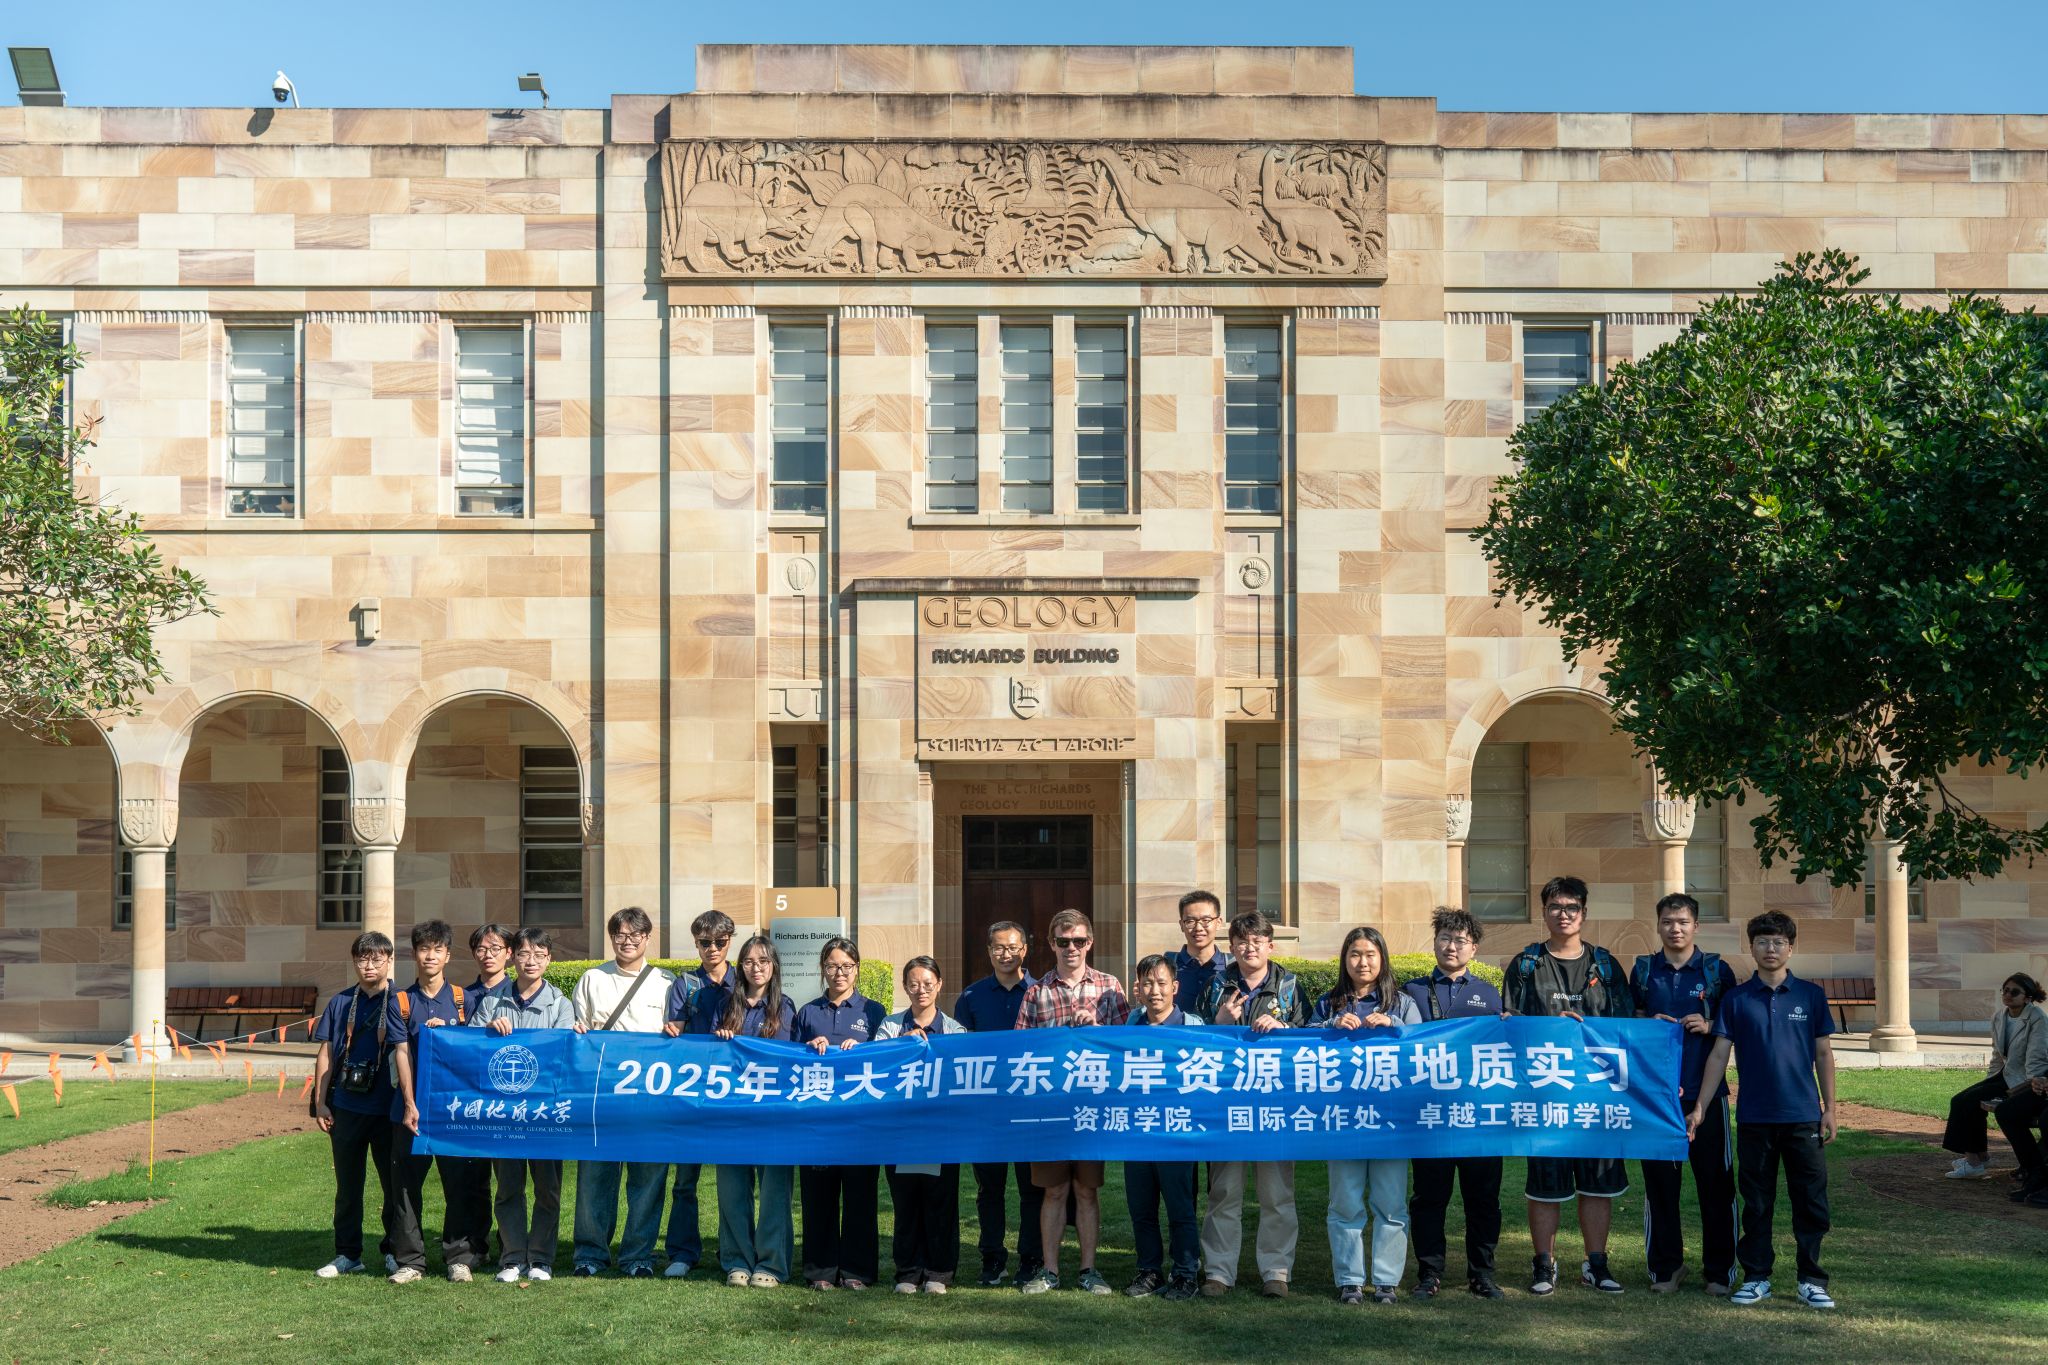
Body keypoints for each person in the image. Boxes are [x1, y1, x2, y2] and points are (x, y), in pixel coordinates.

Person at [1691, 910, 1838, 1309]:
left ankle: (1811, 1279)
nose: (1770, 949)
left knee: (1811, 1201)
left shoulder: (1810, 996)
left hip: (1803, 1116)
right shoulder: (1736, 999)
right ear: (1751, 947)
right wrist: (1701, 1106)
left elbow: (1824, 1054)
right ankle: (1757, 1277)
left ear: (1791, 948)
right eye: (1762, 942)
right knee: (1757, 1203)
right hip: (1755, 1117)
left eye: (1778, 942)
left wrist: (1830, 1108)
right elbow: (1718, 1055)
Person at [1503, 874, 1635, 1295]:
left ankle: (1597, 1264)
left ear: (1584, 913)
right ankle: (1544, 1265)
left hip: (1597, 1096)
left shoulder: (1605, 965)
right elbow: (1509, 1025)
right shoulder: (1526, 965)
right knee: (1545, 1187)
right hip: (1546, 1096)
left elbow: (1627, 1026)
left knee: (1597, 1185)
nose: (1564, 914)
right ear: (1544, 913)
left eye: (1571, 907)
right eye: (1556, 907)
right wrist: (1549, 1027)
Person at [1630, 892, 1741, 1295]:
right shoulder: (1644, 971)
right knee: (1660, 1187)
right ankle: (1666, 1267)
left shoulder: (1716, 971)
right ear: (1658, 925)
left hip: (1707, 1096)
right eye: (1667, 922)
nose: (1675, 929)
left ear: (1696, 926)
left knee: (1717, 1185)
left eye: (1682, 922)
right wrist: (1650, 1025)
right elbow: (1631, 1027)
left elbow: (1732, 1027)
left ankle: (1720, 1271)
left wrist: (1710, 1025)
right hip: (1658, 1099)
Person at [1015, 908, 1129, 1296]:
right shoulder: (1036, 992)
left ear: (1089, 943)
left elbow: (1128, 1046)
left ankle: (1088, 1270)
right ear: (1052, 944)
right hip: (1050, 1109)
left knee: (1086, 1191)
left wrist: (1096, 1029)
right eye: (1063, 941)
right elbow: (1020, 1050)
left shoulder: (1110, 987)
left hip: (1092, 1107)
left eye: (1079, 941)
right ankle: (1049, 1271)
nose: (1071, 948)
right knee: (1053, 1191)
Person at [1194, 909, 1307, 1298]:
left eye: (1257, 941)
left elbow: (1311, 1041)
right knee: (1224, 1192)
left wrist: (1283, 1028)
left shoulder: (1290, 987)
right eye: (1241, 941)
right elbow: (1194, 1045)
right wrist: (1221, 1022)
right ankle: (1218, 1272)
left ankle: (1276, 1271)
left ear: (1270, 946)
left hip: (1275, 1104)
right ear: (1232, 946)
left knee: (1277, 1193)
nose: (1249, 948)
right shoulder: (1216, 986)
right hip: (1228, 1106)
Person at [1400, 906, 1507, 1300]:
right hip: (1428, 1114)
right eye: (1445, 938)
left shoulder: (1488, 993)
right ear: (1434, 943)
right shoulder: (1410, 991)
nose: (1451, 946)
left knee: (1484, 1199)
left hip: (1478, 1114)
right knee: (1429, 1198)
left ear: (1473, 949)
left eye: (1461, 940)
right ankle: (1430, 1273)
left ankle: (1482, 1273)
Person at [1311, 926, 1418, 1305]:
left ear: (1382, 959)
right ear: (1345, 959)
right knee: (1345, 1204)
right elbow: (1301, 1046)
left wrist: (1395, 1026)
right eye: (1355, 954)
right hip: (1342, 1120)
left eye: (1370, 954)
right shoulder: (1329, 1003)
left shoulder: (1401, 1003)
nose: (1362, 962)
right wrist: (1331, 1026)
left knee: (1391, 1204)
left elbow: (1424, 1049)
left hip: (1390, 1121)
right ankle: (1350, 1281)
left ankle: (1387, 1281)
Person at [569, 907, 674, 1278]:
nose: (627, 941)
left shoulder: (666, 983)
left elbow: (677, 1035)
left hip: (650, 1096)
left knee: (648, 1178)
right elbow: (577, 1031)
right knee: (595, 1176)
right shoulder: (592, 979)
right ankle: (590, 1254)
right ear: (611, 937)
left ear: (647, 938)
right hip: (601, 1096)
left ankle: (638, 1255)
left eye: (634, 935)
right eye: (620, 935)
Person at [470, 927, 575, 1282]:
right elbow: (471, 1048)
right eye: (525, 954)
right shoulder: (492, 1001)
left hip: (545, 1112)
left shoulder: (560, 1004)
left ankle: (542, 1258)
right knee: (508, 1187)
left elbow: (563, 1056)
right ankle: (512, 1257)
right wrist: (487, 1029)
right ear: (513, 957)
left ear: (549, 959)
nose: (531, 961)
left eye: (539, 955)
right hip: (505, 1112)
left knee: (548, 1189)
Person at [694, 934, 798, 1288]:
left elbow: (788, 1059)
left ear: (774, 966)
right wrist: (721, 1040)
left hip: (772, 1115)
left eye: (764, 961)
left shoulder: (785, 1007)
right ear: (741, 967)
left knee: (773, 1193)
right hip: (731, 1113)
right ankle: (737, 1260)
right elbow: (710, 1055)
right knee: (732, 1190)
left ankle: (771, 1264)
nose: (757, 968)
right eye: (750, 961)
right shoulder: (726, 1005)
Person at [386, 920, 480, 1284]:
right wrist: (410, 1104)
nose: (430, 956)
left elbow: (474, 1053)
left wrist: (451, 1034)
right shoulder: (401, 1001)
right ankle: (411, 1261)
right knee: (405, 1187)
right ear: (415, 954)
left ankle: (459, 1258)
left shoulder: (462, 999)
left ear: (447, 955)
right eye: (424, 949)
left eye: (437, 949)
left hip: (452, 1110)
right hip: (411, 1110)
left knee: (459, 1184)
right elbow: (401, 1052)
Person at [953, 920, 1044, 1287]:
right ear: (988, 951)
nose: (1006, 954)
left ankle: (1031, 1259)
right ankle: (992, 1259)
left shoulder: (1041, 992)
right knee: (989, 1189)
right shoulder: (971, 997)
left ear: (1025, 949)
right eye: (998, 948)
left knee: (1031, 1188)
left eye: (1013, 947)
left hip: (1030, 1106)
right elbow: (959, 1051)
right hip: (987, 1109)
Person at [793, 936, 885, 1291]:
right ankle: (820, 1271)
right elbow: (790, 1063)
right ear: (823, 969)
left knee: (861, 1197)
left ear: (857, 969)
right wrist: (808, 1047)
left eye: (846, 966)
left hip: (860, 1121)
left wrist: (861, 1051)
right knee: (819, 1198)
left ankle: (858, 1271)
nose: (839, 973)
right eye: (832, 966)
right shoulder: (807, 1012)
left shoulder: (872, 1012)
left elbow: (886, 1059)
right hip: (818, 1122)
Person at [875, 956, 966, 1294]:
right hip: (900, 1130)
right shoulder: (890, 1026)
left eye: (928, 983)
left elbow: (961, 1072)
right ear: (905, 987)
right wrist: (904, 1045)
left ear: (939, 985)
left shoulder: (954, 1030)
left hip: (940, 1130)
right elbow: (878, 1064)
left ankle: (939, 1272)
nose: (921, 990)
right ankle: (908, 1271)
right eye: (914, 984)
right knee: (906, 1200)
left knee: (940, 1200)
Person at [312, 931, 398, 1279]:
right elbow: (326, 1053)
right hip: (346, 1106)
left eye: (377, 959)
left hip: (389, 1108)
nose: (369, 966)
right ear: (354, 962)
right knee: (348, 1187)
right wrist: (320, 1103)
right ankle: (347, 1254)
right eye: (363, 959)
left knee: (394, 1187)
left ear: (389, 961)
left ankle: (395, 1251)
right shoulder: (341, 1002)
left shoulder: (402, 1001)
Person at [660, 909, 741, 1279]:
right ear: (696, 943)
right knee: (684, 1179)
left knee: (734, 1180)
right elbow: (675, 1026)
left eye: (720, 942)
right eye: (705, 942)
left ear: (729, 941)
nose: (713, 949)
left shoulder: (743, 981)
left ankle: (734, 1250)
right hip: (690, 1090)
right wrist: (671, 1030)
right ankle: (682, 1252)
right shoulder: (686, 983)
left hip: (734, 1091)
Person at [1122, 954, 1202, 1302]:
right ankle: (1149, 1271)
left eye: (1161, 983)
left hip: (1177, 1133)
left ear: (1175, 987)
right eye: (1147, 983)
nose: (1155, 990)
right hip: (1138, 1132)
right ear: (1138, 989)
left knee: (1180, 1208)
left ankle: (1185, 1274)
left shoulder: (1194, 1027)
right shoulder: (1130, 1026)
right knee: (1142, 1208)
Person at [1943, 973, 2048, 1188]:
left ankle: (1974, 1162)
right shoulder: (2000, 1016)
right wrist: (1988, 1080)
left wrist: (2030, 1085)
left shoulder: (2037, 1018)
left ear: (2027, 997)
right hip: (2003, 1074)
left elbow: (2037, 1055)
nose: (2008, 995)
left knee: (1967, 1101)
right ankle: (1978, 1157)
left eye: (2014, 992)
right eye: (2005, 990)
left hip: (2023, 1078)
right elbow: (1997, 1055)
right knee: (1962, 1099)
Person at [1169, 889, 1234, 1015]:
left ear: (1218, 923)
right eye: (1190, 921)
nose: (1198, 928)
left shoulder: (1233, 966)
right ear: (1181, 925)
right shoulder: (1168, 967)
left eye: (1206, 920)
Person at [468, 922, 513, 998]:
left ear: (508, 953)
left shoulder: (518, 995)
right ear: (474, 954)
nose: (488, 955)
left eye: (495, 949)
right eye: (481, 949)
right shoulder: (464, 998)